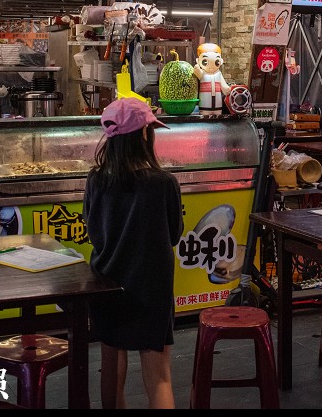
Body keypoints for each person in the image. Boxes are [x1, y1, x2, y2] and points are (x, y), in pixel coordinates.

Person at [82, 98, 184, 409]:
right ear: (142, 136)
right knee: (159, 376)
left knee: (111, 364)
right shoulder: (164, 182)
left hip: (107, 282)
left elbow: (92, 231)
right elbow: (174, 234)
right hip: (151, 286)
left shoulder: (96, 179)